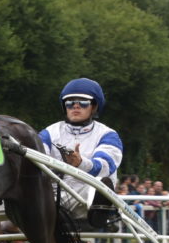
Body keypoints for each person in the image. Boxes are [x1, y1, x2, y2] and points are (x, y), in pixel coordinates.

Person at [39, 77, 123, 228]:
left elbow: (105, 166)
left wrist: (80, 163)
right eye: (70, 103)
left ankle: (103, 210)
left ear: (94, 107)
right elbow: (36, 158)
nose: (76, 106)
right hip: (52, 198)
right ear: (65, 107)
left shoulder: (108, 135)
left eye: (83, 102)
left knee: (100, 183)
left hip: (86, 200)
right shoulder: (49, 133)